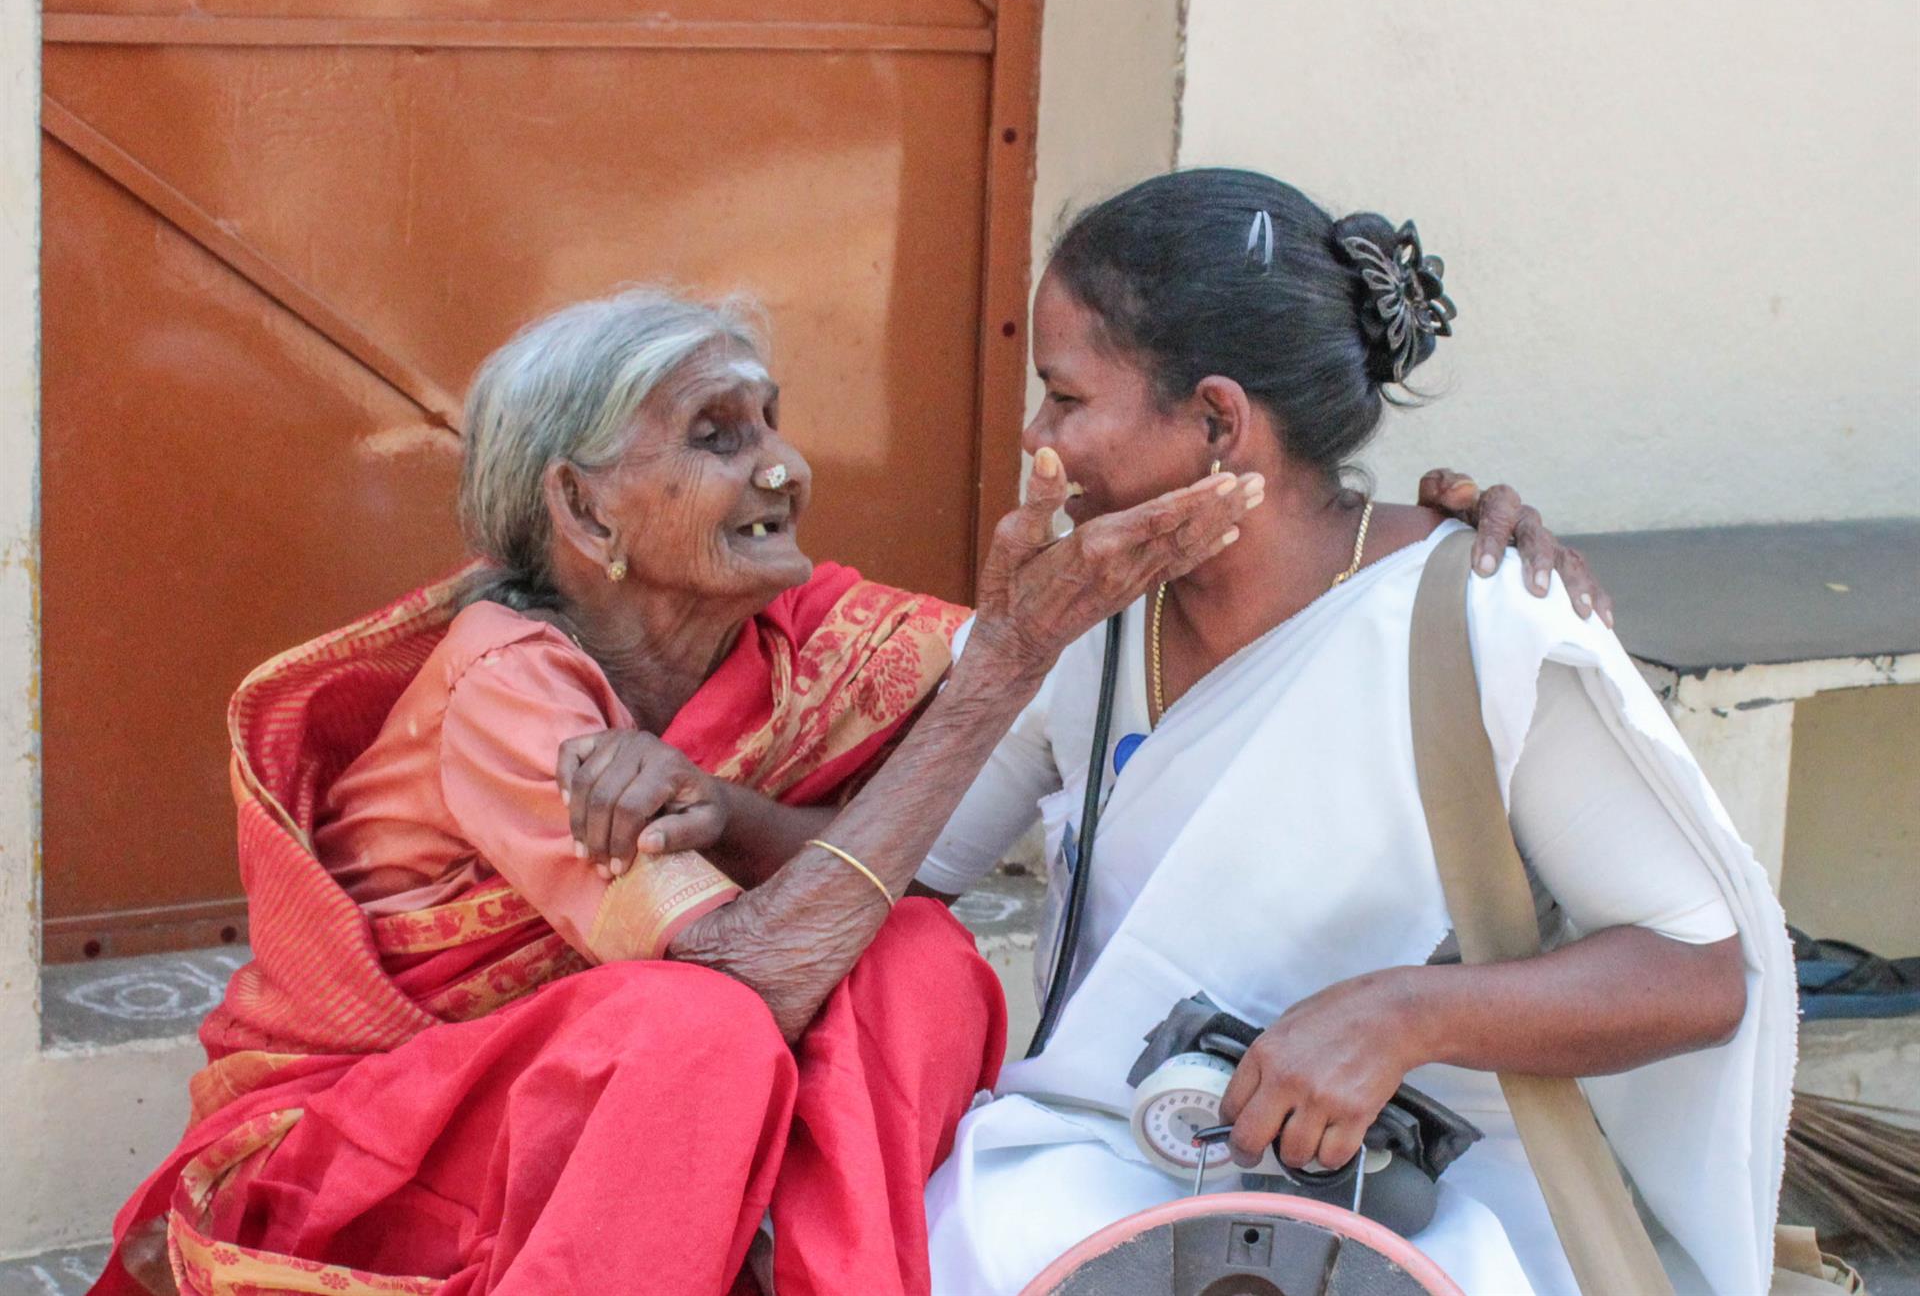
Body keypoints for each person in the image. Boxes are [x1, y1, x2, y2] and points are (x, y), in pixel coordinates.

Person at [93, 290, 1260, 1296]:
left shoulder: (806, 637)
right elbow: (748, 978)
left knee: (917, 955)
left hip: (609, 1148)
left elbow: (1050, 674)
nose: (784, 467)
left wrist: (1367, 557)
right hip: (372, 1165)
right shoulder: (503, 681)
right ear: (585, 509)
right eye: (717, 435)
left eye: (772, 422)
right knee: (695, 1028)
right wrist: (999, 669)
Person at [912, 170, 1795, 1296]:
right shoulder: (1084, 610)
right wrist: (714, 808)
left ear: (1219, 420)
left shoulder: (1479, 621)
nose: (1036, 439)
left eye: (1065, 399)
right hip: (1098, 1176)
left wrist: (1404, 1016)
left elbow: (1698, 974)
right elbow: (906, 866)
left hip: (1434, 1207)